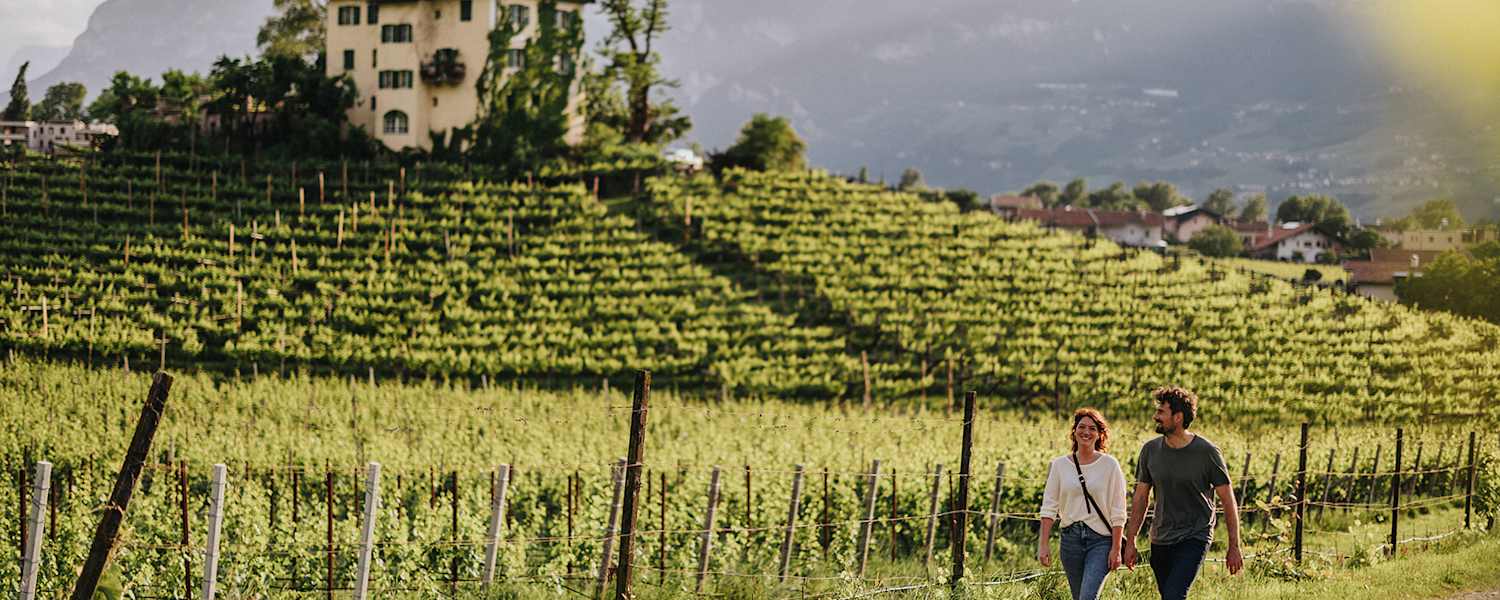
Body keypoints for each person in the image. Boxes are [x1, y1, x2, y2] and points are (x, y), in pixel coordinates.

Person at [1122, 387, 1243, 600]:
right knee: (1169, 595)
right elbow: (1141, 497)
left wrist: (1234, 546)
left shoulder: (1207, 452)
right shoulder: (1150, 450)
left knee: (1174, 595)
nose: (1155, 417)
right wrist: (1130, 540)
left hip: (1195, 534)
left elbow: (1228, 500)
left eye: (1161, 412)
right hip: (1161, 537)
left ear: (1178, 418)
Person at [1039, 408, 1128, 600]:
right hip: (1070, 540)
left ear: (1099, 434)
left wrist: (1116, 548)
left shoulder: (1110, 465)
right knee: (1078, 596)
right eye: (1081, 427)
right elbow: (1049, 507)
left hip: (1101, 541)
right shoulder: (1059, 465)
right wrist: (1043, 544)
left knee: (1087, 597)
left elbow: (1118, 510)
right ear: (1074, 431)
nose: (1086, 432)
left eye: (1092, 428)